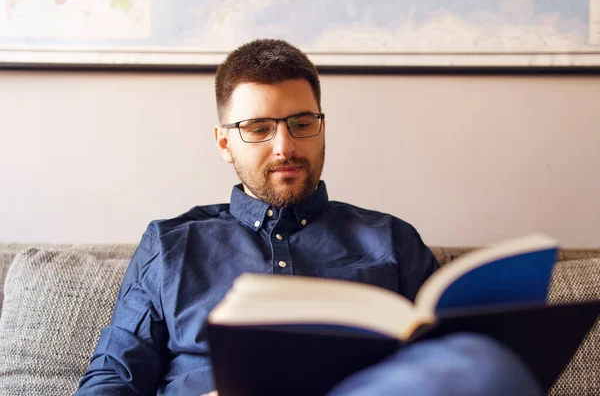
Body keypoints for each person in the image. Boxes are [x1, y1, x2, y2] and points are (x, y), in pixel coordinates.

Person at [76, 39, 541, 396]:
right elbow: (112, 378)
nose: (285, 147)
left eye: (301, 123)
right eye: (258, 128)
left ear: (321, 128)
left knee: (487, 362)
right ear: (224, 143)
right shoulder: (172, 245)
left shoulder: (390, 239)